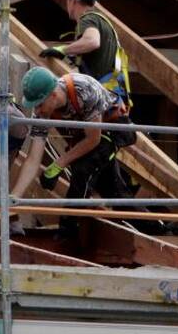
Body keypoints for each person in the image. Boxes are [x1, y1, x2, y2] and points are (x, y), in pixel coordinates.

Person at [17, 66, 137, 236]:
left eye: (39, 105)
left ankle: (68, 229)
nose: (37, 111)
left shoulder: (83, 90)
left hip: (112, 127)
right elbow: (33, 158)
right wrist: (15, 195)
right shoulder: (42, 114)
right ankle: (151, 226)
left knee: (83, 169)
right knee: (112, 188)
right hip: (87, 134)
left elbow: (93, 139)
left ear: (53, 95)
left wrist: (58, 164)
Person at [39, 0, 130, 106]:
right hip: (114, 97)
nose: (67, 3)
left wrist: (63, 50)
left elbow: (92, 42)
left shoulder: (88, 19)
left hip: (105, 97)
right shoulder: (101, 21)